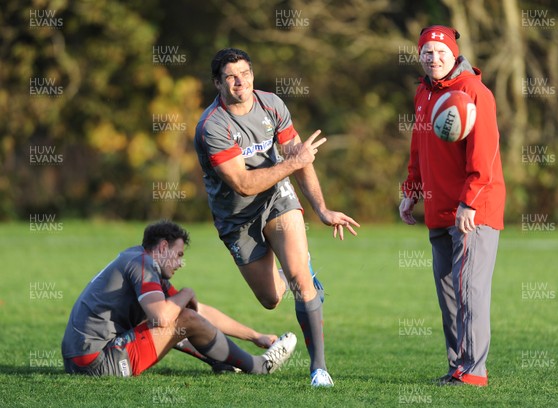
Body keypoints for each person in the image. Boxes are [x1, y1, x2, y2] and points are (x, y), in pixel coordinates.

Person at [194, 48, 360, 387]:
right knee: (271, 299)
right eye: (231, 76)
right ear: (217, 82)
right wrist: (292, 163)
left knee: (301, 280)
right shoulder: (212, 127)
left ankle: (319, 369)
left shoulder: (272, 105)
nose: (241, 81)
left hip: (276, 200)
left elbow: (299, 157)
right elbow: (242, 184)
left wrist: (322, 210)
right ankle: (294, 269)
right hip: (236, 218)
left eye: (246, 72)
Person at [399, 25, 505, 387]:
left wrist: (470, 202)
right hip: (438, 208)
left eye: (441, 52)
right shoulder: (423, 93)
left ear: (454, 53)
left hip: (474, 211)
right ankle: (457, 366)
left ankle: (473, 372)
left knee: (470, 290)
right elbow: (418, 147)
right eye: (427, 52)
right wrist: (411, 190)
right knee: (448, 294)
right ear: (419, 56)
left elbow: (486, 155)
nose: (434, 58)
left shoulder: (474, 91)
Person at [61, 220, 297, 377]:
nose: (180, 264)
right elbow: (164, 317)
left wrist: (255, 336)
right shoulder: (143, 265)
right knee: (176, 317)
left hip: (79, 359)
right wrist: (187, 293)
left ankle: (220, 360)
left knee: (181, 317)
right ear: (163, 247)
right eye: (179, 255)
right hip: (95, 362)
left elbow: (199, 312)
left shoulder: (138, 259)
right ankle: (258, 367)